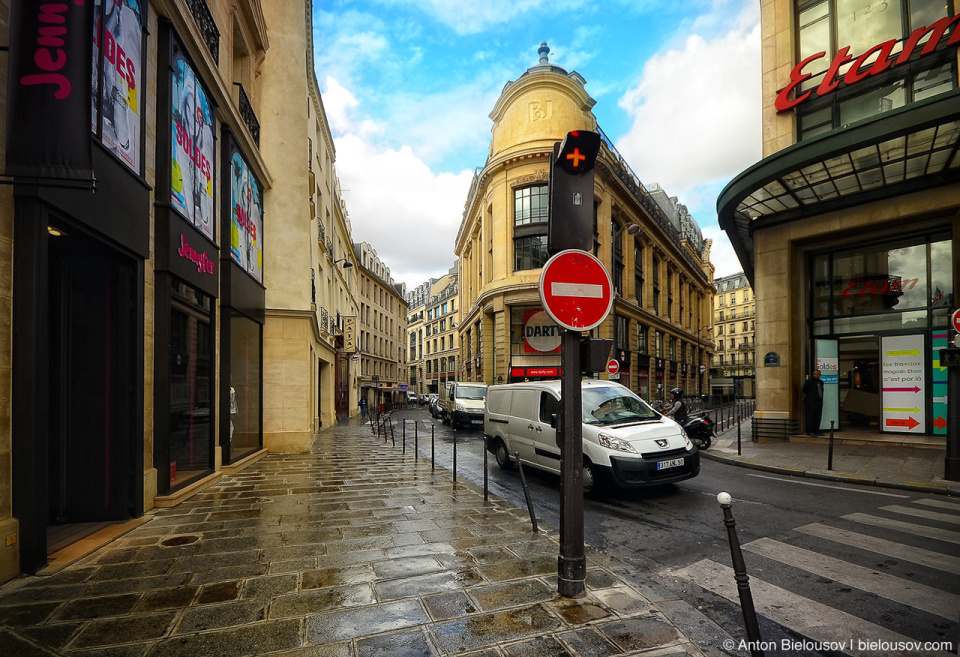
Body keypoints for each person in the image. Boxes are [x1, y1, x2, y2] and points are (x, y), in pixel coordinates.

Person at [802, 369, 824, 435]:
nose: (816, 375)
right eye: (815, 374)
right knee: (811, 417)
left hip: (819, 401)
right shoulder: (809, 381)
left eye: (817, 374)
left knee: (818, 417)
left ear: (820, 375)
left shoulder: (821, 382)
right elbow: (804, 390)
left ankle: (816, 430)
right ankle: (810, 431)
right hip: (811, 402)